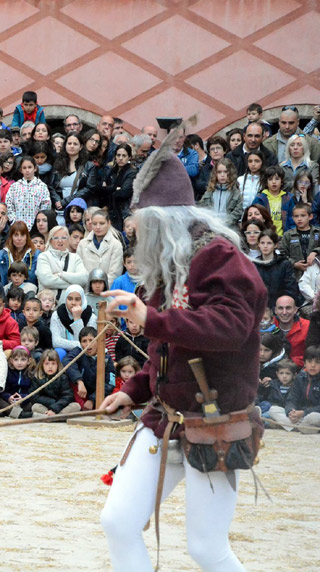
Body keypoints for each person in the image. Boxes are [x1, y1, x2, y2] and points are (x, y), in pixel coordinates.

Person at [100, 123, 267, 572]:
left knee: (207, 550)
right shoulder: (173, 260)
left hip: (213, 424)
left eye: (143, 227)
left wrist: (148, 317)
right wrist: (133, 390)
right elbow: (165, 349)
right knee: (117, 521)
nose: (136, 238)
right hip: (163, 418)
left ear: (164, 222)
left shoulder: (222, 259)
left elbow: (230, 328)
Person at [36, 226, 88, 305]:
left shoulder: (75, 257)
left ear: (68, 240)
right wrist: (75, 283)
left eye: (64, 238)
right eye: (56, 238)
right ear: (50, 240)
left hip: (71, 306)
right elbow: (47, 281)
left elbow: (84, 278)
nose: (60, 241)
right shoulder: (43, 257)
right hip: (47, 306)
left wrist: (62, 275)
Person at [253, 228, 301, 309]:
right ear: (258, 245)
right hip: (259, 308)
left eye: (269, 243)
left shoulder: (284, 264)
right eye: (262, 243)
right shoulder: (254, 265)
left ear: (275, 245)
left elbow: (290, 289)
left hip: (281, 309)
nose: (265, 246)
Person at [76, 209, 124, 285]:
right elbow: (78, 270)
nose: (98, 227)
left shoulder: (116, 244)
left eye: (102, 223)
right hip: (86, 290)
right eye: (94, 224)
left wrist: (101, 288)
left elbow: (114, 273)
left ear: (108, 223)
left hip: (107, 292)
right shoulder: (82, 244)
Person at [5, 156, 52, 229]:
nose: (27, 170)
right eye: (24, 168)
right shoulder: (14, 187)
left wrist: (39, 222)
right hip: (18, 226)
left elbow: (46, 205)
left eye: (29, 167)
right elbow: (9, 204)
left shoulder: (42, 186)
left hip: (36, 227)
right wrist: (14, 221)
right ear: (21, 170)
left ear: (35, 168)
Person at [49, 284, 97, 351]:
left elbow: (85, 343)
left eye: (77, 299)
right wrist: (78, 345)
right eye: (70, 299)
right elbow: (56, 342)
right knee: (59, 351)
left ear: (82, 300)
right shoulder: (57, 315)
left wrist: (77, 319)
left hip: (85, 353)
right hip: (64, 351)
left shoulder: (91, 317)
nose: (73, 303)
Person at [198, 158, 243, 226]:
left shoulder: (235, 193)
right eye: (219, 172)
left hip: (229, 227)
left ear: (231, 173)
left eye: (225, 172)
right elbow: (202, 207)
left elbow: (237, 212)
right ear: (215, 173)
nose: (222, 175)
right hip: (211, 226)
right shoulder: (210, 191)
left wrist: (226, 223)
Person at [0, 221, 38, 286]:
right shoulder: (1, 255)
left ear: (27, 237)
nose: (19, 239)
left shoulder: (36, 254)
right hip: (6, 292)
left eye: (22, 235)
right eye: (16, 235)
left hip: (29, 293)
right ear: (11, 237)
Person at [274, 294, 308, 367]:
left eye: (288, 308)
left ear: (295, 310)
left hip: (299, 370)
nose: (284, 312)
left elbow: (311, 356)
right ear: (275, 310)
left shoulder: (307, 326)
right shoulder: (268, 326)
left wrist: (289, 363)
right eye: (280, 308)